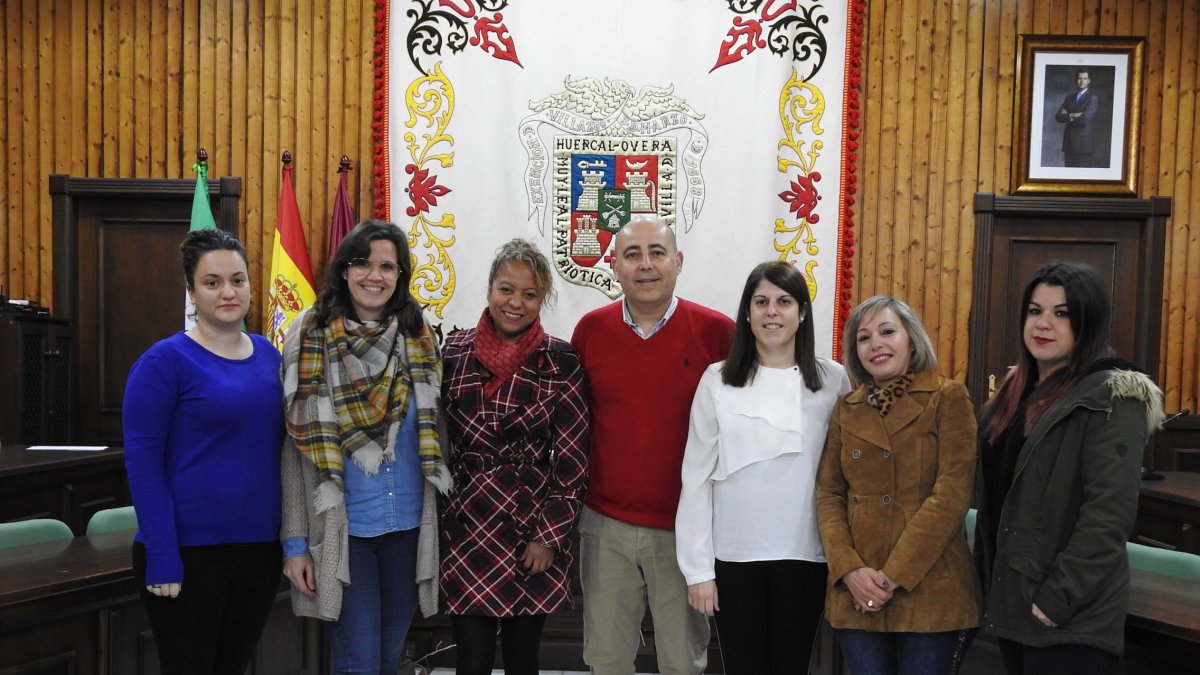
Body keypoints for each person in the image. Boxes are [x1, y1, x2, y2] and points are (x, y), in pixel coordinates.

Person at [279, 220, 451, 675]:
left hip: (409, 528)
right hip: (344, 531)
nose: (374, 275)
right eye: (363, 263)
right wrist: (295, 544)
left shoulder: (419, 337)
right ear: (344, 269)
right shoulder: (309, 334)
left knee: (389, 658)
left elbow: (436, 434)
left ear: (400, 275)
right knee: (360, 663)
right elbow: (295, 451)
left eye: (387, 266)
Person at [975, 261, 1164, 675]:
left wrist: (1056, 600)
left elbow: (1108, 515)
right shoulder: (1016, 392)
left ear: (1087, 321)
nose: (1043, 323)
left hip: (1068, 616)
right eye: (1034, 310)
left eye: (1062, 313)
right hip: (1013, 602)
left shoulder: (1113, 394)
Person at [571, 217, 734, 675]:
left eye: (657, 252)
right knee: (606, 659)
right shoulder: (590, 332)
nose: (646, 265)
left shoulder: (718, 334)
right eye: (632, 254)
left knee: (682, 660)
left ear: (677, 261)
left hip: (685, 529)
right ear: (615, 266)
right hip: (606, 527)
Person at [675, 261, 850, 674]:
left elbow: (845, 476)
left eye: (784, 301)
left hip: (806, 554)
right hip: (734, 557)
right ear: (748, 313)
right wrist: (698, 570)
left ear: (802, 313)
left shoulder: (832, 380)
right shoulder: (716, 380)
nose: (772, 311)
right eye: (761, 302)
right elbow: (695, 478)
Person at [122, 228, 284, 674]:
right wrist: (162, 553)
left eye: (238, 279)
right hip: (188, 553)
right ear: (191, 290)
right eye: (212, 282)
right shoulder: (163, 362)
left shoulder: (271, 356)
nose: (228, 292)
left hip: (259, 551)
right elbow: (143, 464)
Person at [439, 239, 590, 675]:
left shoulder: (561, 360)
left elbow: (574, 460)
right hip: (466, 526)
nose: (516, 303)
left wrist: (550, 535)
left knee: (524, 661)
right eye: (507, 289)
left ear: (542, 300)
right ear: (489, 290)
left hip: (532, 527)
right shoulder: (453, 354)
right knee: (472, 659)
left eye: (529, 294)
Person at [816, 295, 980, 675]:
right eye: (864, 337)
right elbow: (829, 494)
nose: (876, 344)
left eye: (887, 332)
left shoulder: (948, 397)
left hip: (931, 591)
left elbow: (951, 495)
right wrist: (851, 571)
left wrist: (891, 578)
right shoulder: (846, 408)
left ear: (911, 338)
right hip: (856, 592)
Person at [1055, 68, 1101, 167]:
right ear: (1076, 80)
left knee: (1081, 178)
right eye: (1079, 78)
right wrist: (1074, 115)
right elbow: (1058, 117)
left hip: (1083, 145)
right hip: (1068, 144)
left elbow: (1084, 119)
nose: (1082, 81)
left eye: (1085, 78)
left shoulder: (1092, 98)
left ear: (1089, 81)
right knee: (1068, 176)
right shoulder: (1069, 98)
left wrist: (1068, 115)